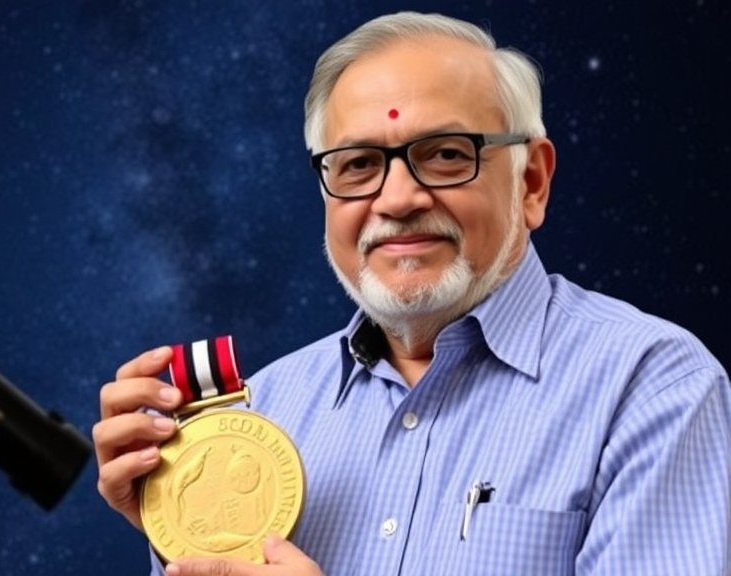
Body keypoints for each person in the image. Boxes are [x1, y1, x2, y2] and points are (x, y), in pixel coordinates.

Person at [93, 11, 731, 576]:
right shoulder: (259, 414)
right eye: (358, 164)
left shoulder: (651, 385)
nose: (397, 199)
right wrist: (179, 527)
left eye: (447, 154)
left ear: (531, 182)